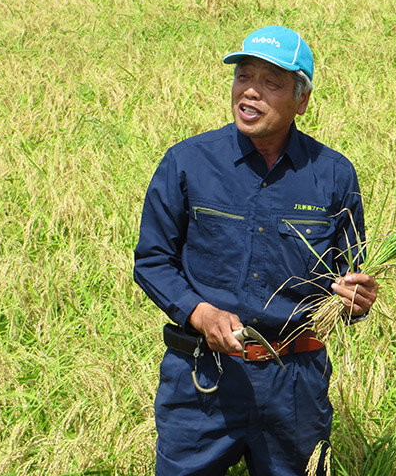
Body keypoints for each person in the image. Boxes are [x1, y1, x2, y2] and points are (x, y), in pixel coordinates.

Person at [134, 25, 378, 476]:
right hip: (202, 381)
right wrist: (199, 313)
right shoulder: (187, 162)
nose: (251, 92)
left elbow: (347, 279)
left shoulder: (333, 174)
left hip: (295, 385)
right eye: (244, 77)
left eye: (271, 83)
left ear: (301, 101)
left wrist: (356, 301)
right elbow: (152, 260)